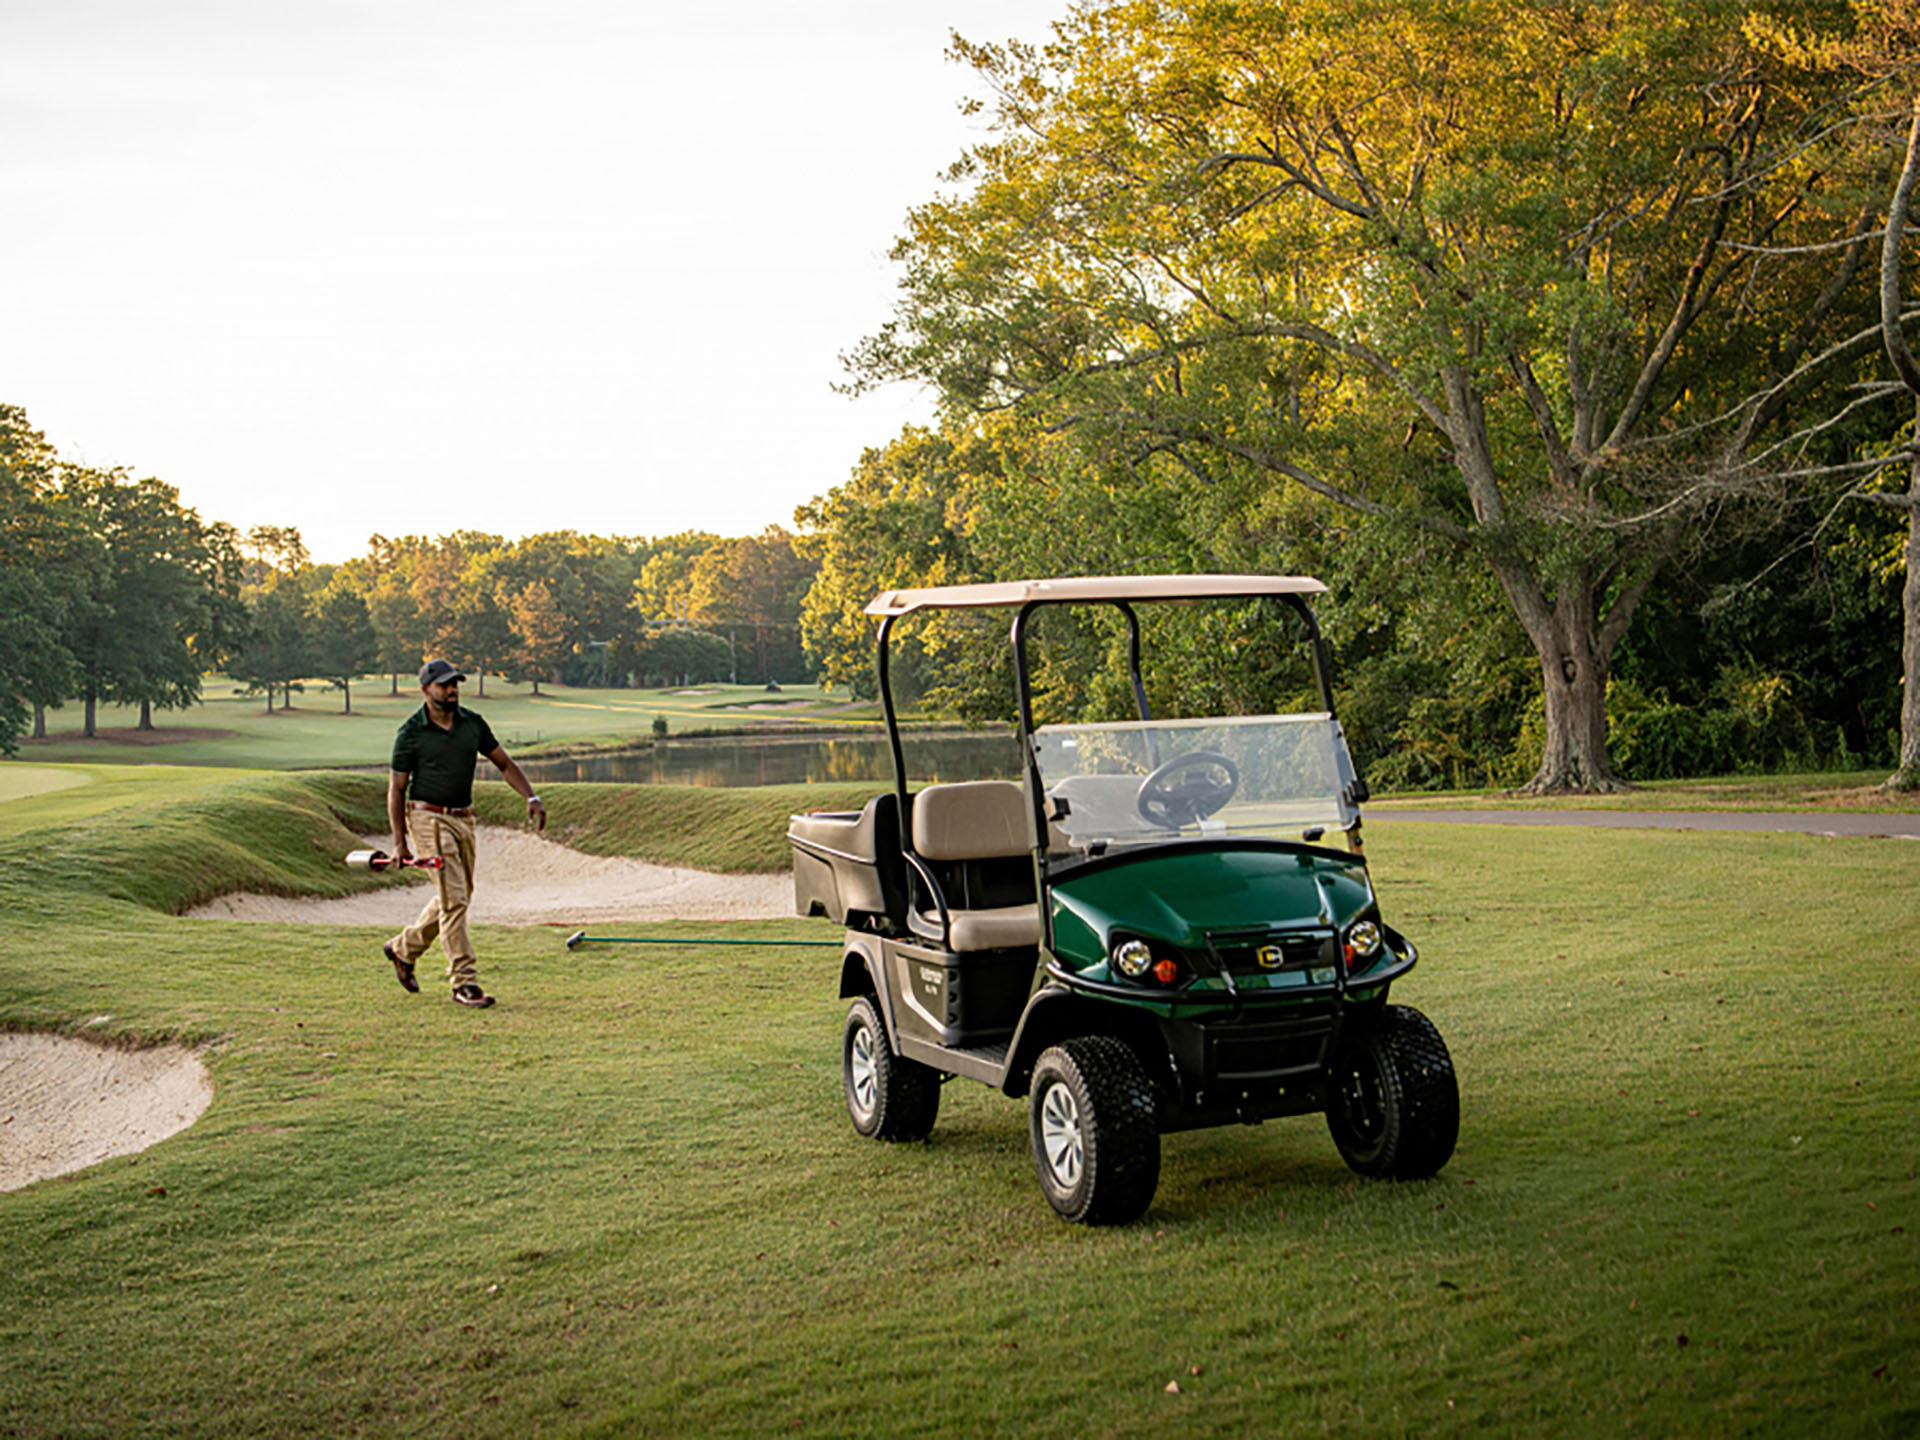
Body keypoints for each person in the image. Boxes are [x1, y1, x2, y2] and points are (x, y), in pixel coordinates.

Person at [382, 659, 548, 1007]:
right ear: (426, 690)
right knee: (454, 899)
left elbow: (503, 763)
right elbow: (397, 789)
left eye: (455, 683)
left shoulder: (472, 724)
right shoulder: (410, 733)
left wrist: (531, 796)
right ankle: (464, 983)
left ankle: (403, 948)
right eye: (443, 685)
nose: (452, 690)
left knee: (457, 897)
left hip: (464, 818)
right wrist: (399, 843)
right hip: (427, 818)